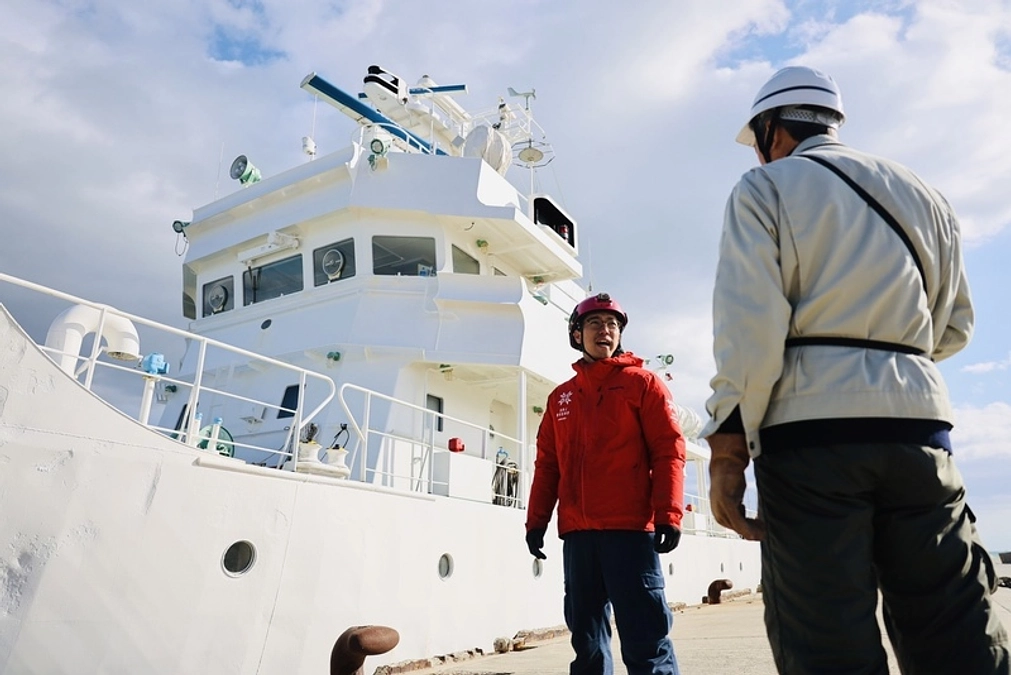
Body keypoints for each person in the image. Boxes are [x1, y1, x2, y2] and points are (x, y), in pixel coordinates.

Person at [702, 65, 1010, 674]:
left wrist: (728, 453)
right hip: (920, 431)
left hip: (811, 441)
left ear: (772, 130)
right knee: (955, 626)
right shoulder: (927, 196)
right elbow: (954, 328)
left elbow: (749, 332)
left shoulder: (764, 188)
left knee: (826, 640)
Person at [525, 292, 686, 675]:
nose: (605, 330)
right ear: (576, 335)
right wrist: (536, 522)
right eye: (595, 323)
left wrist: (669, 513)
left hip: (629, 534)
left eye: (613, 324)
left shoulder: (643, 384)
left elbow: (669, 450)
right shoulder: (561, 398)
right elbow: (548, 466)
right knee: (587, 644)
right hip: (579, 537)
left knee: (646, 640)